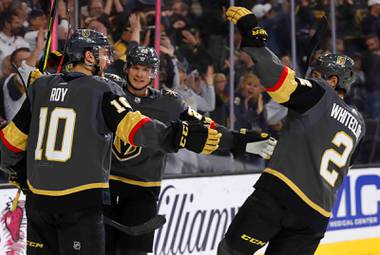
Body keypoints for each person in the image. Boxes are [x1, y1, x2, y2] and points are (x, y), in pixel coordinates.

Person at [0, 29, 222, 255]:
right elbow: (135, 128)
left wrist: (18, 173)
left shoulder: (40, 87)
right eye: (104, 53)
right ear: (89, 57)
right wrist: (177, 136)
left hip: (38, 203)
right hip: (79, 204)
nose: (108, 60)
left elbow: (9, 144)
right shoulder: (102, 89)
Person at [217, 7, 365, 255]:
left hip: (280, 195)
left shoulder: (320, 93)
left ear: (333, 81)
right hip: (317, 215)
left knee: (231, 251)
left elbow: (278, 81)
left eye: (318, 74)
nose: (313, 77)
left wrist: (255, 42)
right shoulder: (359, 123)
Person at [104, 45, 277, 255]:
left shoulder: (168, 103)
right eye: (136, 68)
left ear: (154, 73)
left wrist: (243, 141)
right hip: (105, 187)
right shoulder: (110, 93)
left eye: (147, 69)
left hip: (143, 192)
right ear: (127, 69)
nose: (140, 74)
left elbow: (206, 129)